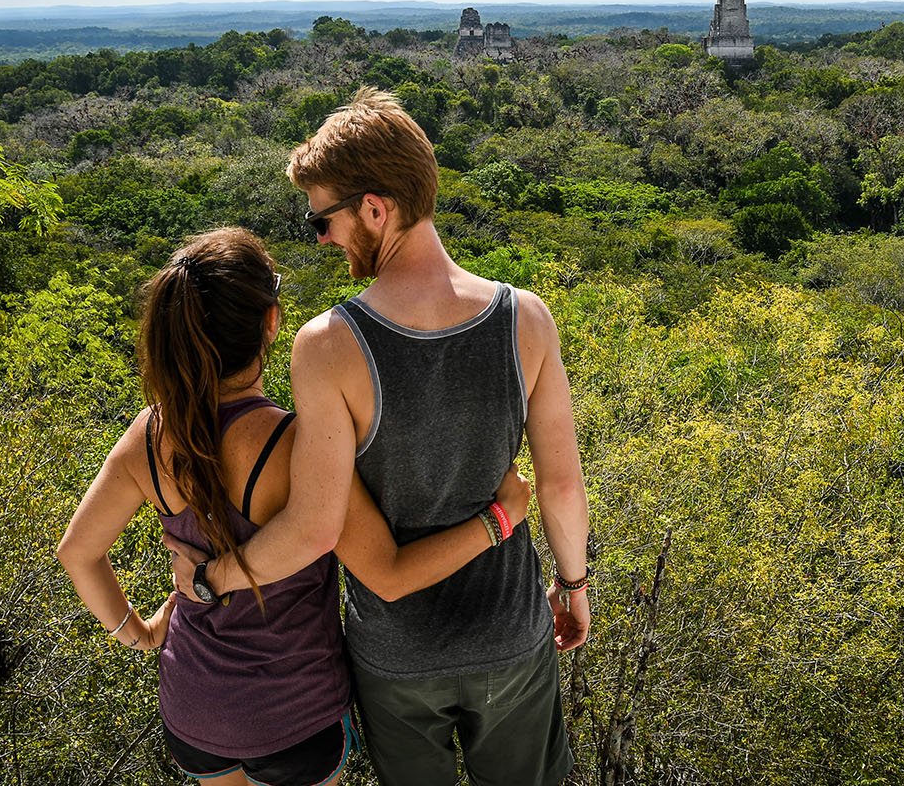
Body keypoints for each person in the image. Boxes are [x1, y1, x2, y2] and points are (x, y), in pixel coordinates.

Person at [167, 87, 591, 786]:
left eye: (322, 221)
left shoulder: (328, 345)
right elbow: (563, 487)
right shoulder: (528, 319)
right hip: (508, 634)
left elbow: (319, 525)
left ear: (374, 207)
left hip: (396, 655)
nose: (324, 239)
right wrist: (574, 588)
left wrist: (208, 582)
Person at [58, 226, 532, 786]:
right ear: (271, 323)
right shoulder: (297, 446)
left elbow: (78, 553)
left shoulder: (150, 433)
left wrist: (137, 632)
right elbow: (389, 573)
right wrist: (499, 519)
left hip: (194, 709)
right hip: (295, 714)